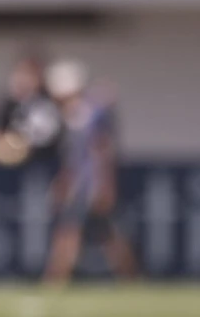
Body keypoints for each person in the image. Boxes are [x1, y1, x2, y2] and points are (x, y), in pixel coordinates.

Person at [42, 59, 139, 284]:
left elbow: (102, 151)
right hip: (82, 183)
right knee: (107, 234)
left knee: (70, 231)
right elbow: (73, 157)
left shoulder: (91, 114)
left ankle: (54, 282)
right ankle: (133, 280)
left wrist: (104, 184)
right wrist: (64, 181)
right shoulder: (75, 115)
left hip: (89, 185)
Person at [0, 51, 62, 171]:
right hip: (14, 170)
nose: (27, 78)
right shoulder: (8, 103)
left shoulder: (53, 100)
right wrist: (3, 150)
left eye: (32, 73)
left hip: (49, 166)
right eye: (23, 72)